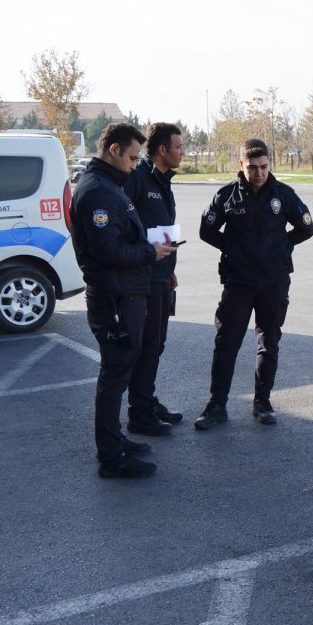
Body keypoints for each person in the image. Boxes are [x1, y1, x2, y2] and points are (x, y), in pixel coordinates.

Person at [71, 122, 177, 479]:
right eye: (132, 157)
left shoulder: (108, 185)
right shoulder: (98, 191)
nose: (135, 165)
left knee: (121, 369)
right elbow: (108, 251)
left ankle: (116, 441)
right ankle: (111, 458)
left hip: (125, 295)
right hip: (114, 299)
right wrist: (151, 252)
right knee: (114, 375)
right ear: (114, 150)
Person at [194, 139, 313, 429]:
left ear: (269, 165)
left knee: (268, 343)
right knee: (226, 344)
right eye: (252, 168)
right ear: (241, 166)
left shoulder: (283, 195)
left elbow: (306, 227)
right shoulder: (227, 196)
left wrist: (282, 246)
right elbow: (206, 230)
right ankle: (217, 405)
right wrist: (232, 248)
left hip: (273, 281)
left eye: (263, 167)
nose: (259, 173)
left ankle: (262, 402)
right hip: (238, 282)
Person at [123, 122, 184, 436]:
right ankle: (139, 414)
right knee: (146, 346)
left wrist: (169, 269)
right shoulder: (138, 179)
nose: (182, 152)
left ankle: (146, 400)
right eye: (178, 146)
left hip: (161, 277)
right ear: (162, 150)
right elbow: (126, 226)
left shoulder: (163, 180)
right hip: (142, 280)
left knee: (155, 345)